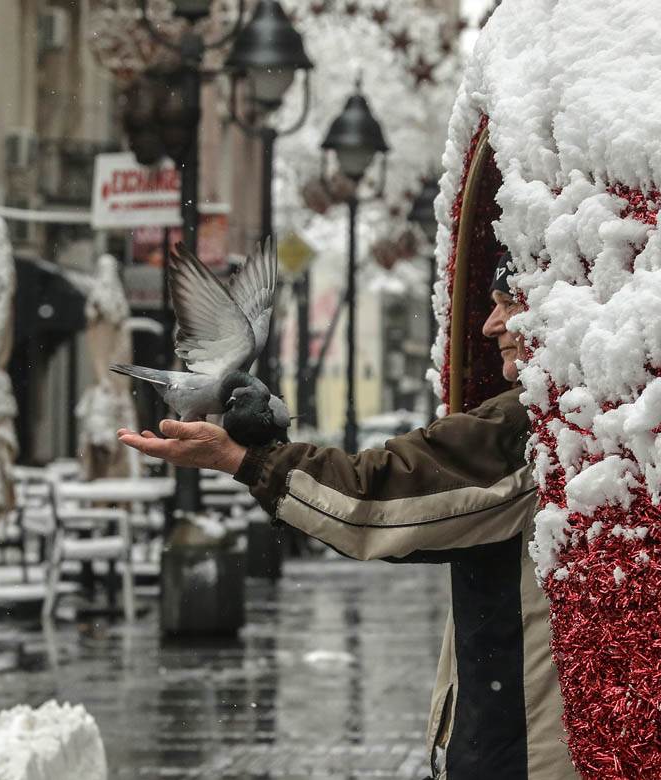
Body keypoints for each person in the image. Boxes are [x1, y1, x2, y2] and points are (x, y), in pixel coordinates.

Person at [117, 252, 577, 780]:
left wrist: (244, 460)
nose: (490, 323)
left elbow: (371, 502)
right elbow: (414, 522)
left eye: (506, 304)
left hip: (523, 752)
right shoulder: (569, 419)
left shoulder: (528, 423)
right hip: (518, 736)